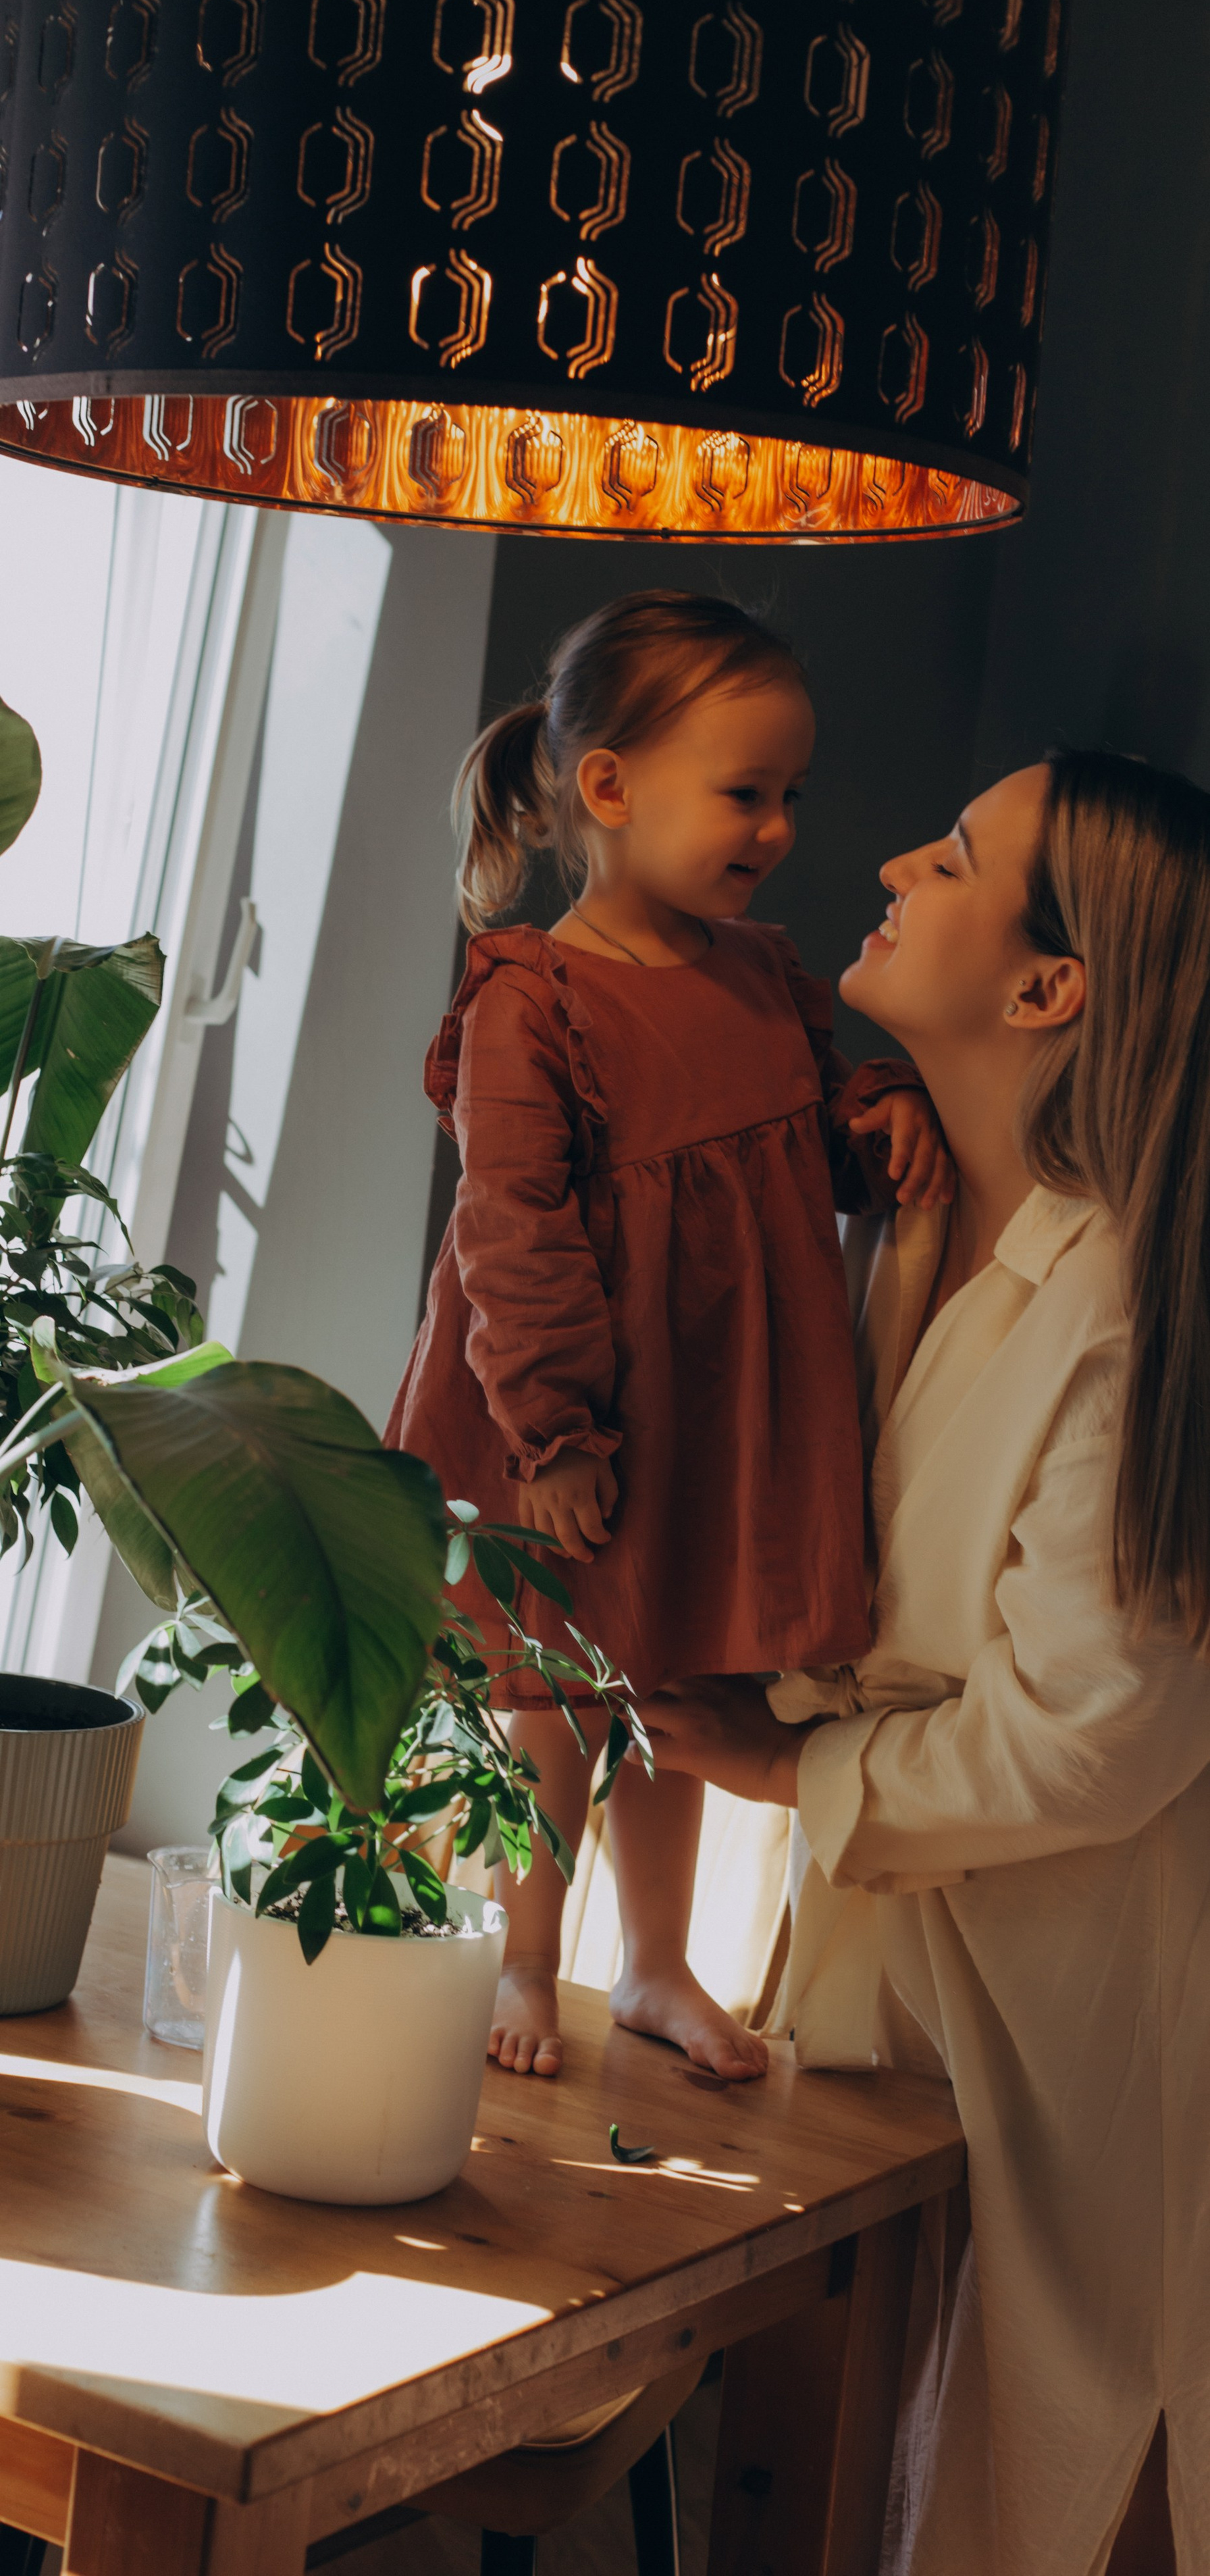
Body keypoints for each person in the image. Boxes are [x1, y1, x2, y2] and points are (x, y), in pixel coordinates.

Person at [640, 749, 1210, 2575]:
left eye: (955, 858)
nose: (893, 858)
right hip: (872, 1995)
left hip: (1057, 2021)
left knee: (1008, 2480)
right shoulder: (904, 1224)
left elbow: (1092, 1743)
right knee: (811, 2479)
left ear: (1051, 986)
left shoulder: (1131, 1305)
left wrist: (776, 1767)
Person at [386, 591, 952, 2082]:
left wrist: (873, 1117)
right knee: (563, 1686)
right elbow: (507, 1228)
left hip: (728, 1408)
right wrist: (553, 1432)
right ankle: (524, 1954)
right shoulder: (532, 996)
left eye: (786, 797)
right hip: (579, 1405)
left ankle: (650, 1964)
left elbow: (800, 1146)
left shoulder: (762, 971)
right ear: (609, 787)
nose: (771, 827)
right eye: (741, 792)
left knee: (684, 1685)